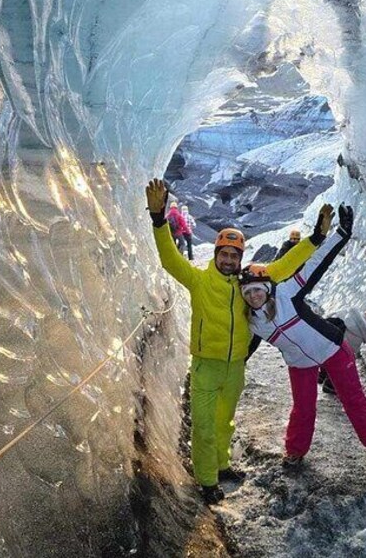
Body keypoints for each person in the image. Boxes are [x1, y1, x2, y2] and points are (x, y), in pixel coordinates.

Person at [145, 178, 332, 504]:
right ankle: (206, 481)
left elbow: (284, 266)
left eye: (235, 255)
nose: (229, 260)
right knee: (203, 427)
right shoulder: (199, 280)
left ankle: (221, 466)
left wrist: (315, 238)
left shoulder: (247, 283)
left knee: (224, 422)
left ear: (240, 257)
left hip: (235, 367)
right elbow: (170, 260)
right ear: (217, 254)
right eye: (225, 254)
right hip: (206, 366)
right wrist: (159, 221)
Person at [240, 205, 366, 469]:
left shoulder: (286, 293)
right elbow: (246, 347)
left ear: (267, 288)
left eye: (257, 290)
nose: (253, 296)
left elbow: (316, 265)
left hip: (332, 348)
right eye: (248, 293)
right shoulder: (253, 322)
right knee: (303, 408)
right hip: (300, 363)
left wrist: (342, 233)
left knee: (354, 400)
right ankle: (295, 452)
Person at [319, 307, 366, 395]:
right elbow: (348, 353)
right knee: (345, 362)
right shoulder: (360, 337)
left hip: (320, 343)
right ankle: (329, 386)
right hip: (333, 356)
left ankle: (320, 376)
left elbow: (328, 317)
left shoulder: (345, 312)